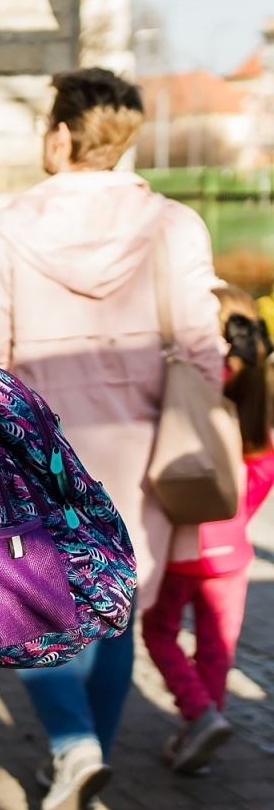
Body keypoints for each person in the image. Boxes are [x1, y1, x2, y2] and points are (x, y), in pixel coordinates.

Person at [0, 68, 224, 810]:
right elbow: (204, 351)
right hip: (146, 451)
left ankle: (76, 747)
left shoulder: (7, 228)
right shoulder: (173, 226)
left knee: (30, 606)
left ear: (62, 133)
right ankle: (85, 755)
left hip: (40, 451)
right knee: (119, 611)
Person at [144, 286, 274, 775]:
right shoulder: (256, 394)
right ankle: (202, 728)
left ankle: (199, 715)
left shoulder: (190, 389)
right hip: (233, 552)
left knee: (159, 631)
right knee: (218, 645)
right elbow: (263, 472)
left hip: (183, 546)